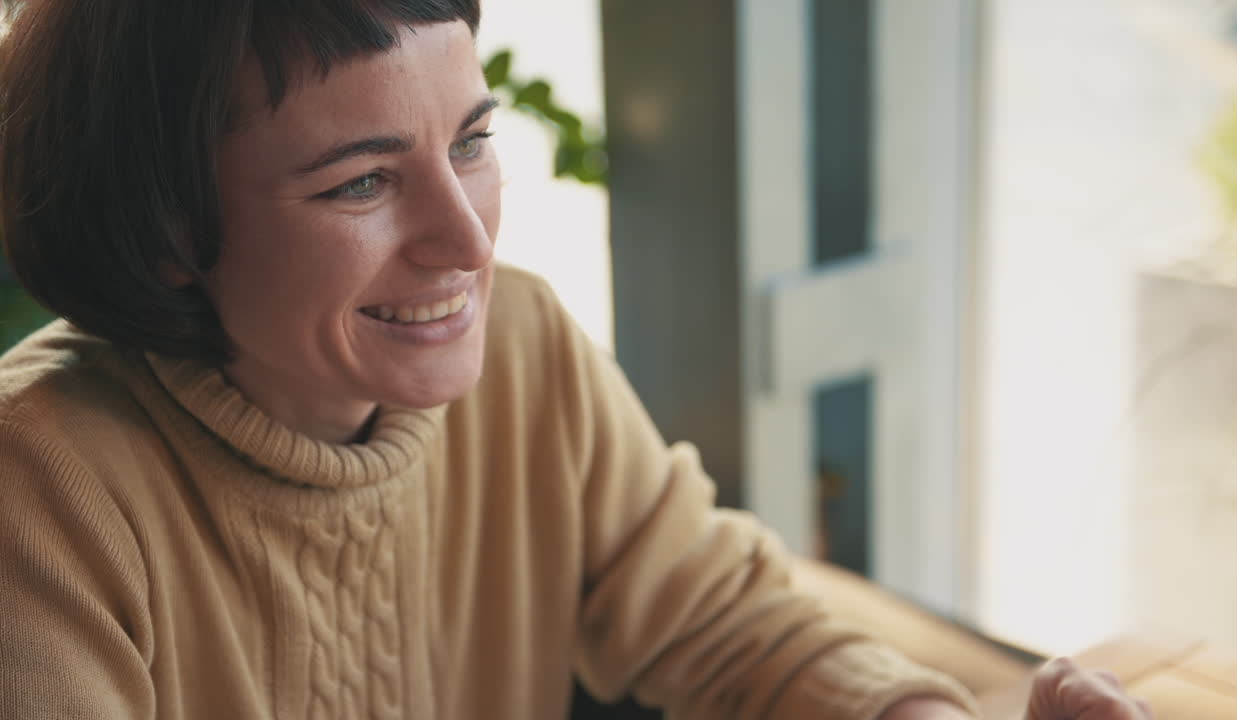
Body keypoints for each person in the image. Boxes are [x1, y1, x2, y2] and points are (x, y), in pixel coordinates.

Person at [0, 1, 1152, 718]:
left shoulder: (523, 346)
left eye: (472, 144)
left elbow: (719, 622)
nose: (466, 242)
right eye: (360, 181)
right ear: (160, 234)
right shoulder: (39, 493)